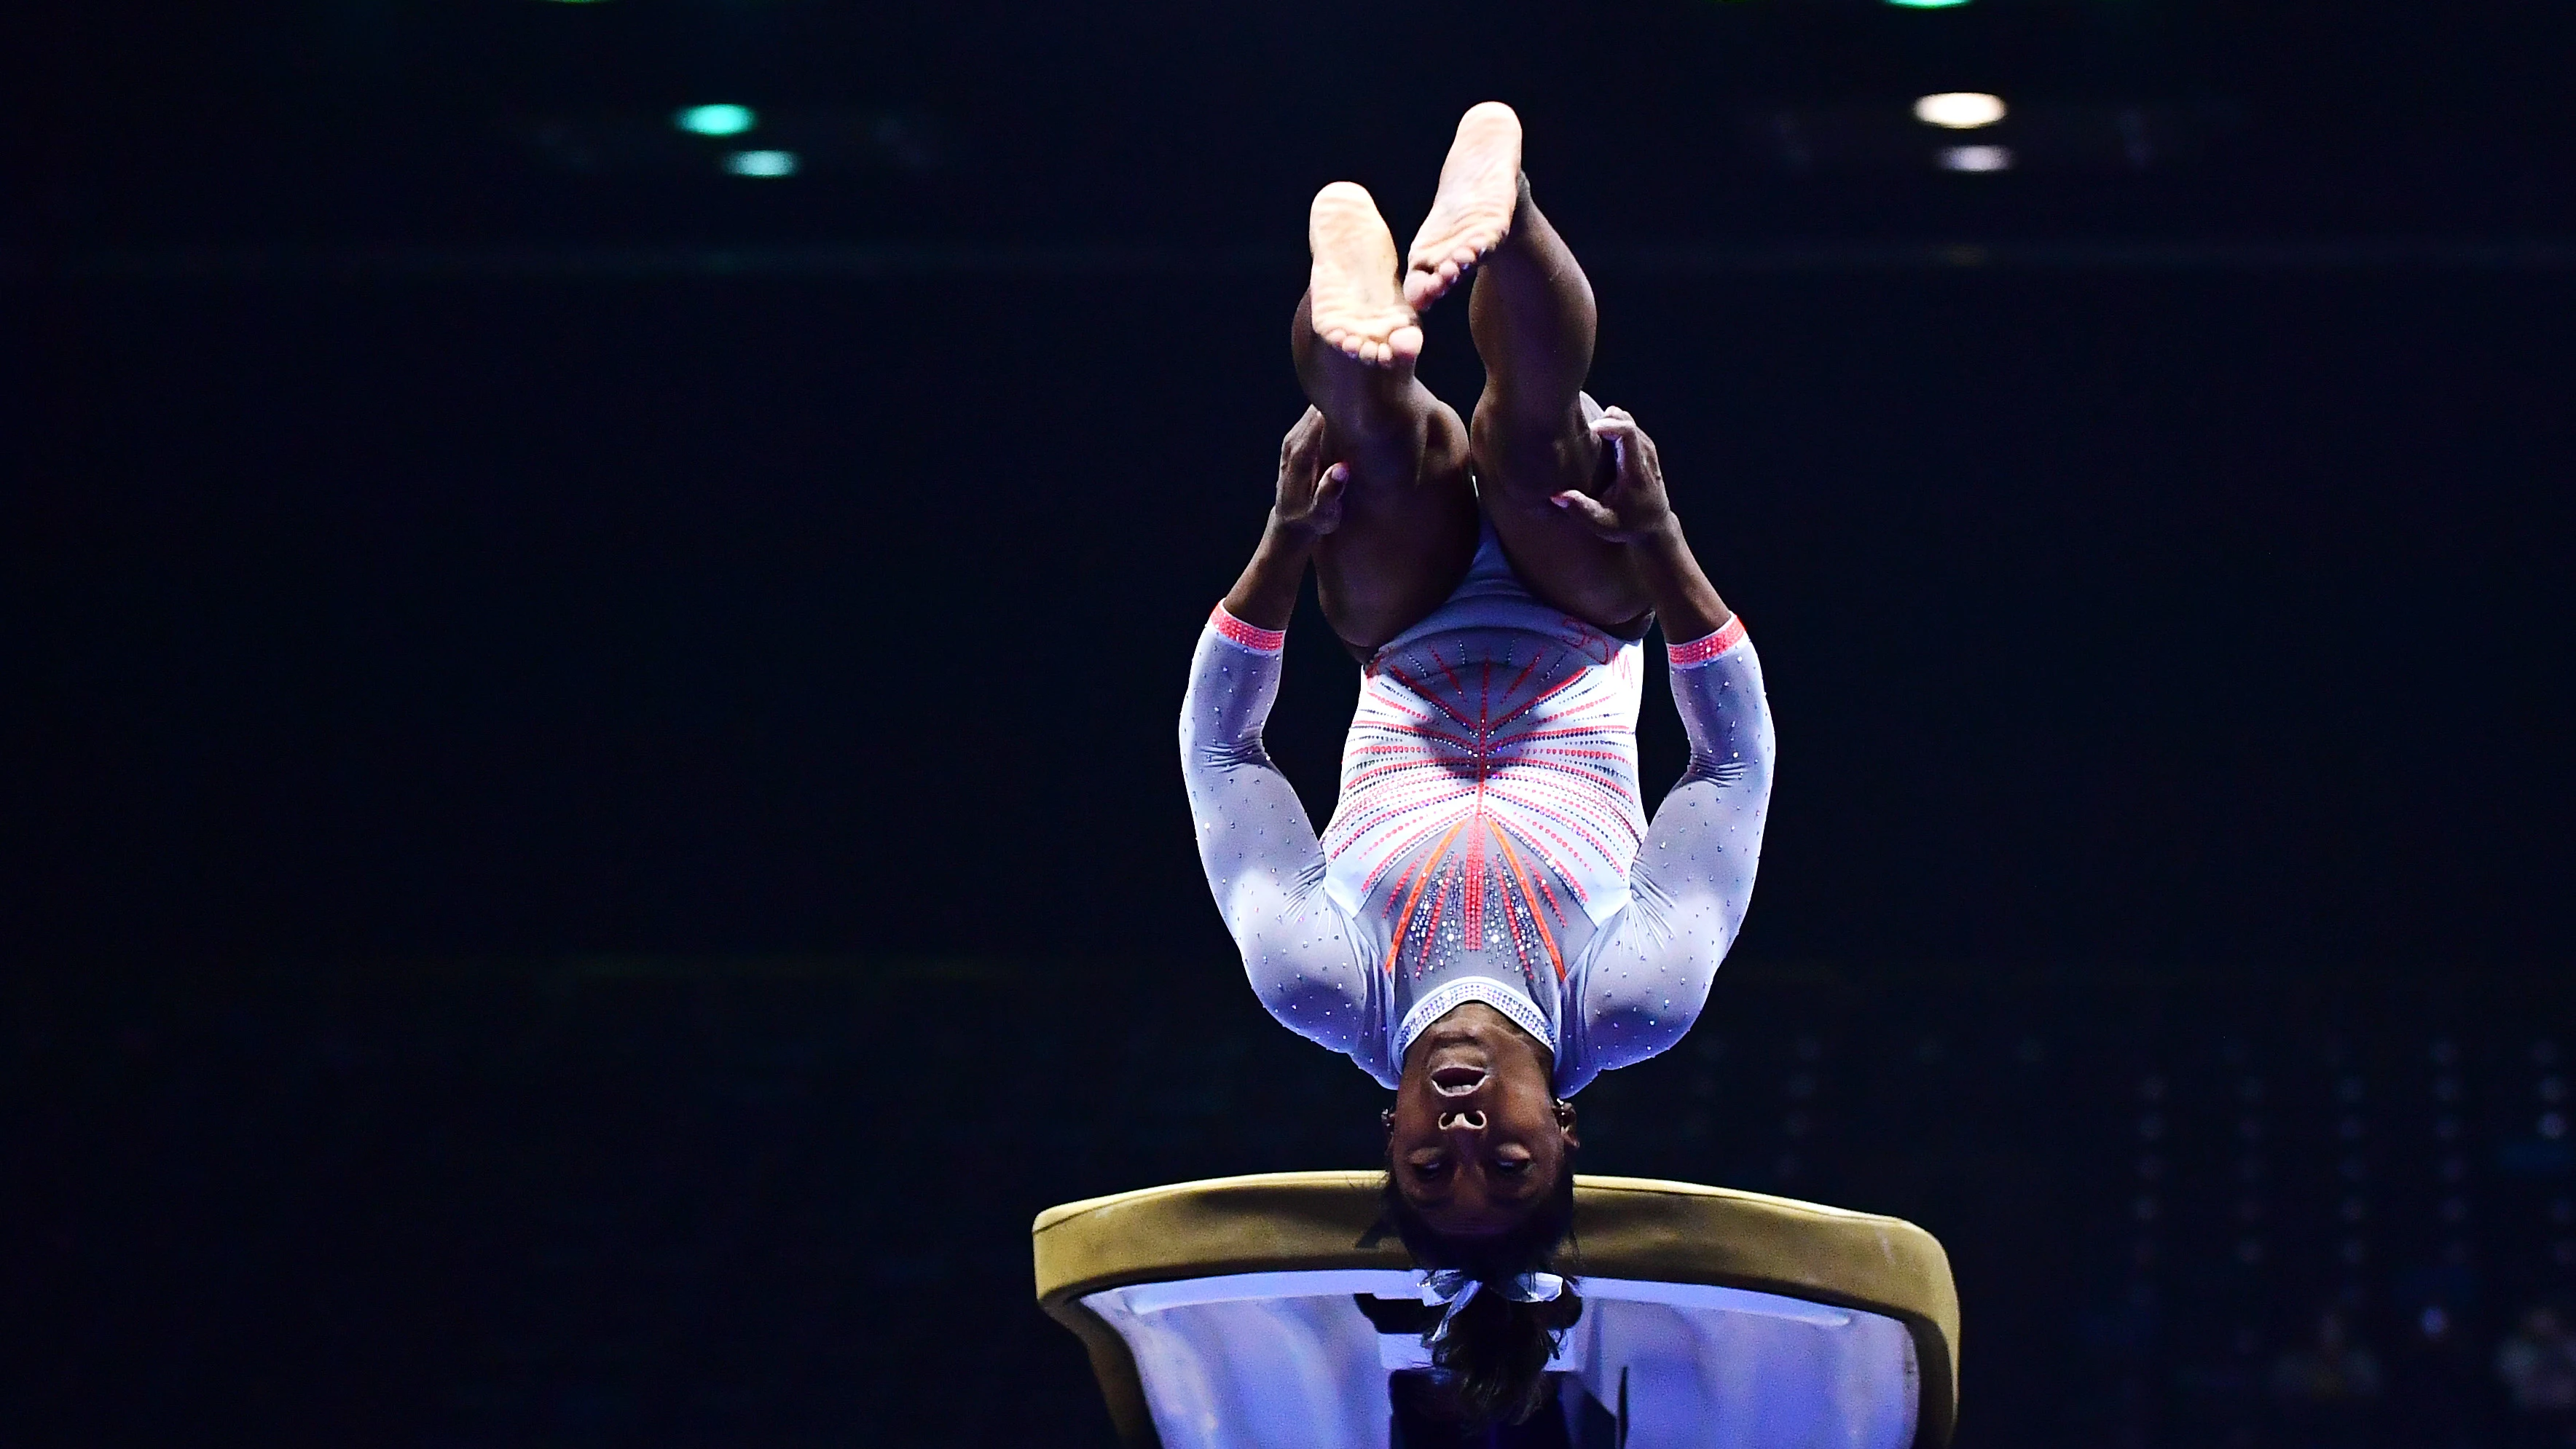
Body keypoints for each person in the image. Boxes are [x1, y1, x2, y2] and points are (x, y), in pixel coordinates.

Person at [1179, 102, 1776, 1427]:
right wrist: (1665, 537)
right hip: (1580, 622)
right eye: (1507, 1171)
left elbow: (1224, 758)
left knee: (1381, 450)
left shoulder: (1320, 980)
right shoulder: (1631, 995)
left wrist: (1281, 543)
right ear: (1569, 1137)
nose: (1462, 1143)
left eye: (1429, 1173)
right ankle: (1501, 214)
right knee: (1531, 442)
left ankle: (1357, 310)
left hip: (1400, 626)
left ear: (1378, 1146)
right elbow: (1729, 774)